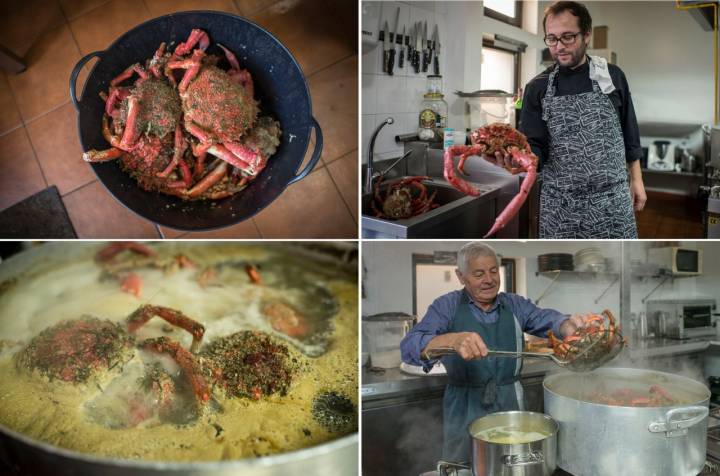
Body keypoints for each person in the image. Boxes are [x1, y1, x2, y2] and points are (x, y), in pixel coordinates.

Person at [400, 242, 589, 462]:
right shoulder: (446, 306)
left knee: (512, 463)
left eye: (493, 271)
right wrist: (451, 340)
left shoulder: (514, 304)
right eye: (479, 274)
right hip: (464, 404)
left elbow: (548, 319)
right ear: (461, 276)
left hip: (510, 402)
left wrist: (568, 326)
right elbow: (409, 346)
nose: (489, 280)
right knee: (463, 465)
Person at [498, 1, 645, 238]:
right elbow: (535, 146)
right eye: (552, 39)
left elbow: (629, 130)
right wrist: (520, 161)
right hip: (560, 207)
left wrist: (636, 180)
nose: (559, 47)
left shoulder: (613, 76)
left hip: (613, 202)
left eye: (568, 37)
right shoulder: (538, 88)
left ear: (586, 35)